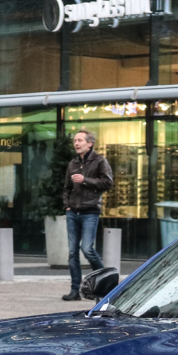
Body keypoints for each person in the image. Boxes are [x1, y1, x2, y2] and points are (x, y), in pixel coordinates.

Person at [61, 129, 113, 301]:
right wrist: (67, 206)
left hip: (90, 211)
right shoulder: (72, 164)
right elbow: (66, 188)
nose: (76, 143)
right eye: (75, 140)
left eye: (80, 140)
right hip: (73, 212)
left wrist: (85, 180)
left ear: (89, 143)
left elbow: (107, 182)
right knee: (72, 252)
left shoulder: (99, 161)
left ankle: (107, 284)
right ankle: (75, 290)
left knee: (87, 249)